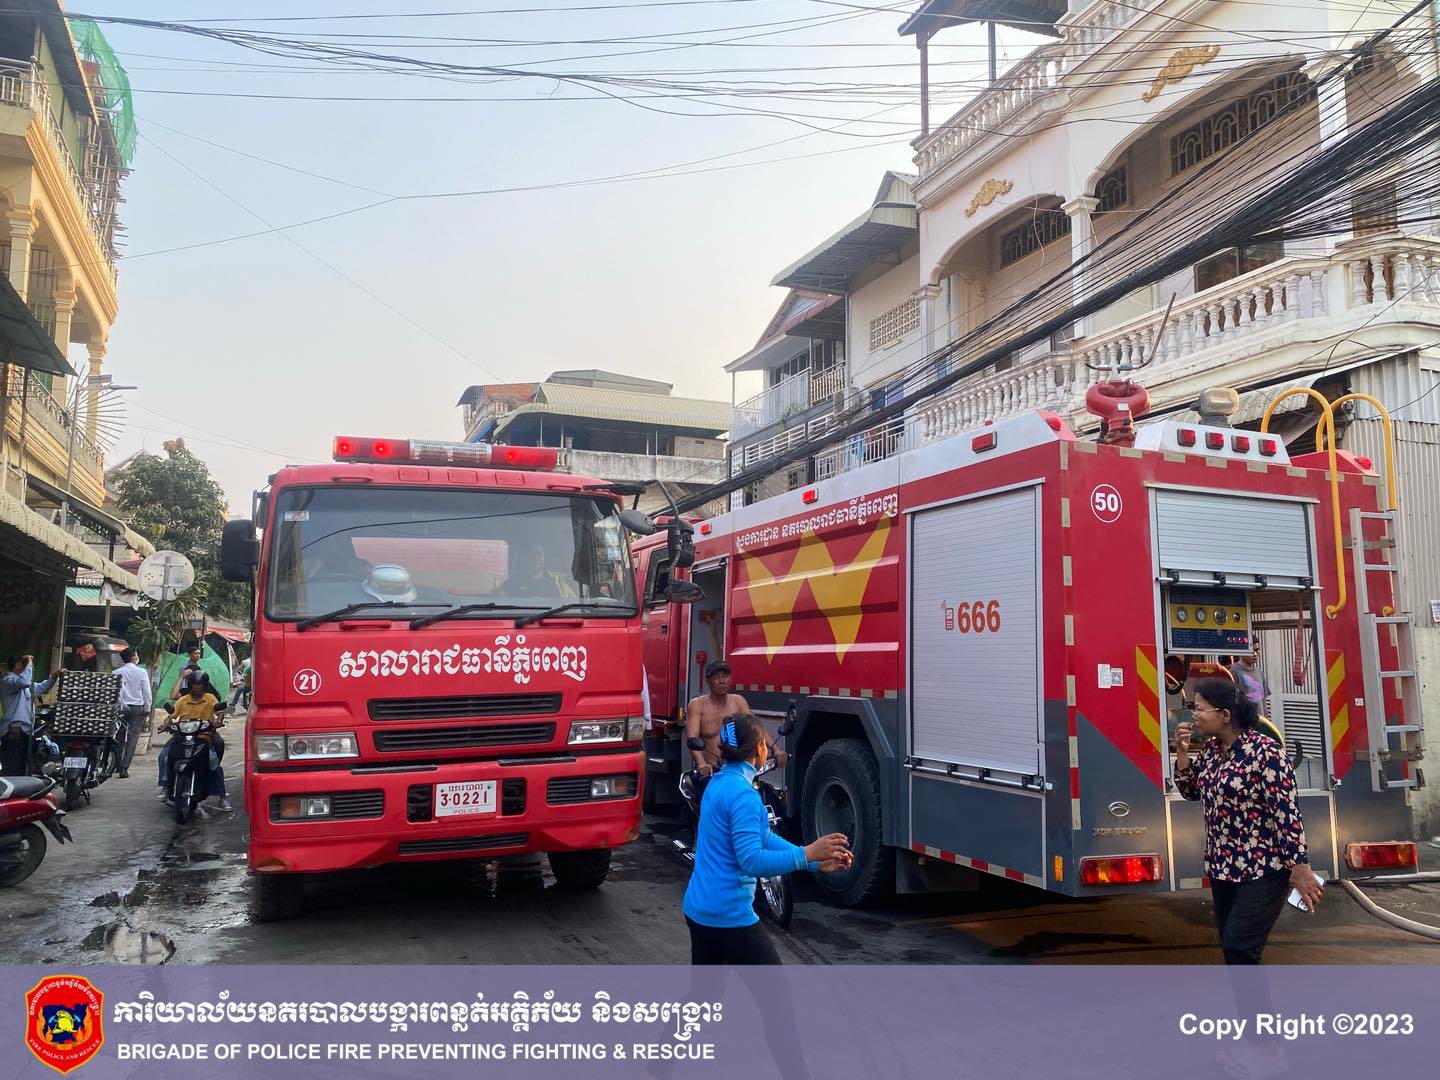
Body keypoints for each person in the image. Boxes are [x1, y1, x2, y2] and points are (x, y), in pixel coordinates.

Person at [1175, 677, 1323, 964]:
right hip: (1222, 867)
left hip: (1263, 868)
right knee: (1232, 947)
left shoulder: (1266, 753)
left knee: (1240, 947)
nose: (1194, 715)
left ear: (1224, 715)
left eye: (1200, 709)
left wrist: (1300, 867)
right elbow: (1191, 791)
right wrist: (1182, 752)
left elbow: (1287, 814)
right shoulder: (1212, 750)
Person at [683, 712, 851, 964]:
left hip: (699, 909)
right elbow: (751, 861)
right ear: (759, 748)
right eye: (764, 742)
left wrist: (813, 861)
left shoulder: (717, 783)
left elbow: (764, 838)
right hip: (729, 917)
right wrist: (806, 854)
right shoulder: (744, 795)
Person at [685, 661, 786, 777]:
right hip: (711, 772)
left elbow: (755, 729)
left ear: (730, 679)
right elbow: (692, 738)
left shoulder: (738, 701)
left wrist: (776, 749)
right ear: (708, 681)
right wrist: (701, 763)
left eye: (725, 676)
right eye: (716, 677)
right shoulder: (697, 705)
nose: (722, 681)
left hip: (738, 771)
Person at [156, 672, 230, 811]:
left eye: (200, 684)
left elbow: (219, 712)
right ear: (190, 685)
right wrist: (165, 724)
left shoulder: (210, 698)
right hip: (182, 736)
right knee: (164, 756)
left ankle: (222, 797)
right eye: (195, 684)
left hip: (203, 735)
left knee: (213, 760)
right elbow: (171, 715)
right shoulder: (183, 700)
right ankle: (166, 786)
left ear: (205, 685)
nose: (197, 687)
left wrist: (218, 721)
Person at [1, 655, 65, 775]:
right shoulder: (8, 681)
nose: (29, 668)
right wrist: (29, 662)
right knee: (12, 767)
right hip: (14, 731)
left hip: (25, 731)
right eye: (24, 665)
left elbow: (41, 688)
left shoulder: (24, 685)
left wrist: (54, 676)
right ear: (18, 666)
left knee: (23, 766)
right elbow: (24, 682)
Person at [114, 648, 152, 779]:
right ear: (133, 658)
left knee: (119, 735)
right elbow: (146, 691)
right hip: (137, 707)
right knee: (133, 737)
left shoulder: (116, 672)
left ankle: (117, 763)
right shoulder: (141, 672)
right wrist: (147, 707)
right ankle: (124, 767)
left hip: (121, 707)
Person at [508, 540, 575, 598]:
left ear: (545, 557)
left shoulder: (559, 582)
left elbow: (573, 602)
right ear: (525, 558)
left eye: (539, 554)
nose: (535, 558)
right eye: (531, 554)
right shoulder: (515, 582)